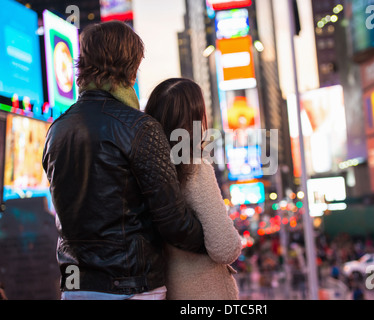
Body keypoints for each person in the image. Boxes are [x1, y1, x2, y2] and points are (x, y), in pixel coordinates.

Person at [42, 22, 206, 300]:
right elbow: (173, 221)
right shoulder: (139, 127)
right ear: (131, 68)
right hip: (131, 287)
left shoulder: (56, 130)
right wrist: (213, 243)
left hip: (76, 287)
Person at [145, 78, 242, 300]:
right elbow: (225, 247)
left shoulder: (140, 167)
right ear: (194, 121)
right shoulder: (194, 169)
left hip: (165, 288)